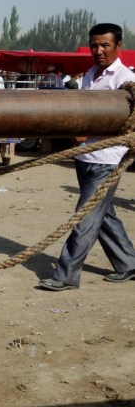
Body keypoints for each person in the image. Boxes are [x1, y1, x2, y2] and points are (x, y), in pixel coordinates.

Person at [37, 22, 135, 291]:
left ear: (118, 46)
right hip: (85, 159)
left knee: (85, 217)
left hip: (106, 159)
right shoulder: (90, 75)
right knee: (104, 216)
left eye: (105, 45)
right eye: (94, 45)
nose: (99, 50)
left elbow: (127, 125)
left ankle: (66, 275)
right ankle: (129, 263)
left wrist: (87, 136)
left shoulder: (125, 80)